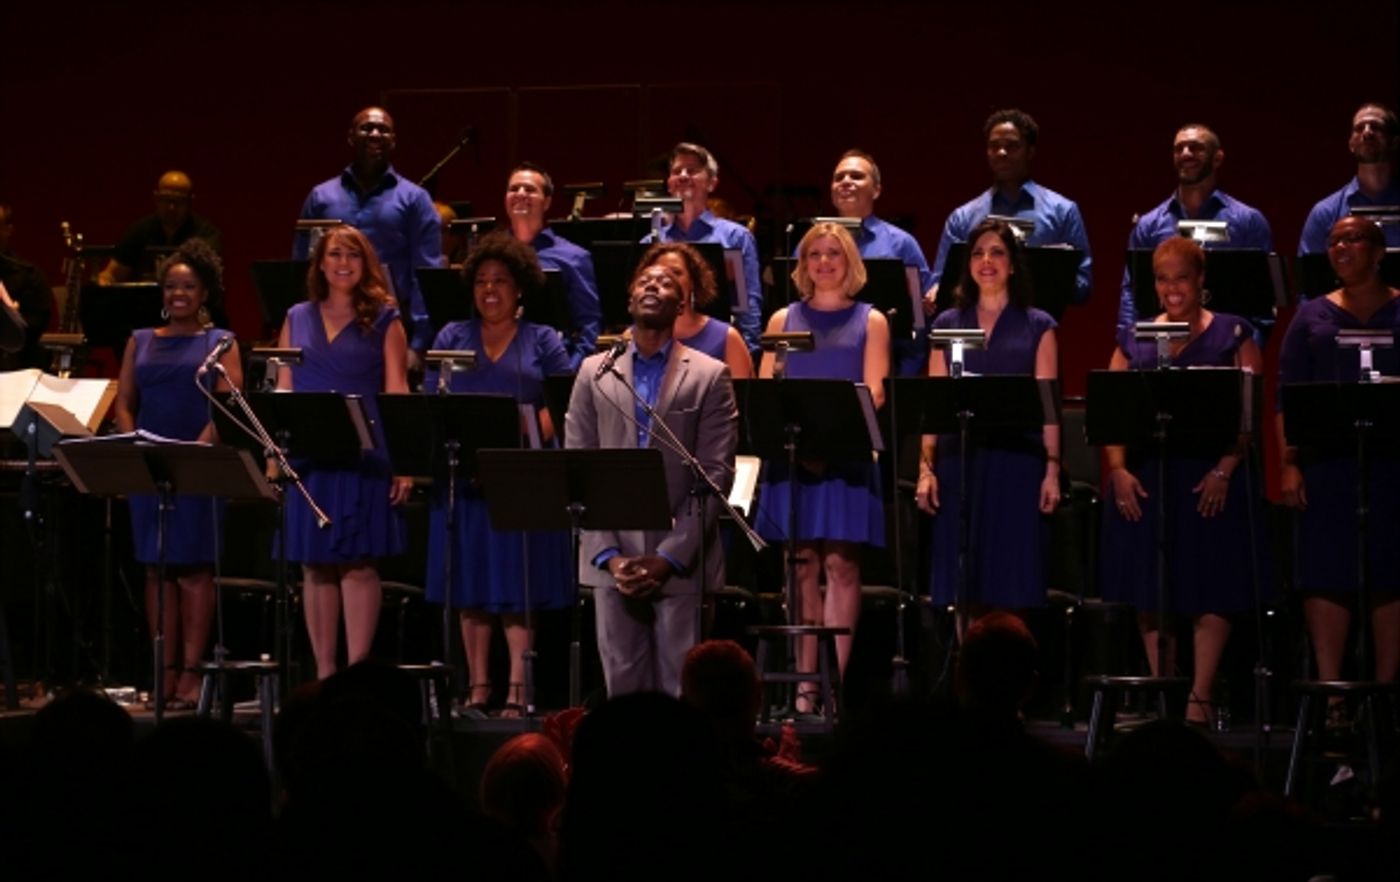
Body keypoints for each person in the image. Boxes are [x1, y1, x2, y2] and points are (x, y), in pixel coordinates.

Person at [1099, 237, 1265, 726]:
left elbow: (1248, 414)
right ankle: (1163, 691)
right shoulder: (1135, 336)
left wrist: (1224, 469)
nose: (1172, 288)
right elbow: (1110, 413)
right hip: (1148, 476)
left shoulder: (1235, 332)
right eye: (1163, 278)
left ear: (1201, 280)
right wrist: (1120, 471)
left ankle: (1199, 697)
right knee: (1152, 586)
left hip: (1210, 476)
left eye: (1182, 277)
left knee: (1210, 584)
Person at [565, 256, 738, 698]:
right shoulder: (593, 372)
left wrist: (669, 557)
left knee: (682, 695)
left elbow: (715, 474)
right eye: (645, 280)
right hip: (614, 559)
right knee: (623, 695)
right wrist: (609, 555)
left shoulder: (709, 375)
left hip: (681, 560)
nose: (653, 286)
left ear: (682, 304)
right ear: (629, 297)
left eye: (666, 283)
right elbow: (578, 467)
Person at [423, 232, 573, 715]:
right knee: (471, 585)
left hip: (522, 479)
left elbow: (558, 401)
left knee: (516, 585)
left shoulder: (544, 339)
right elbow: (434, 399)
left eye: (501, 281)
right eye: (482, 281)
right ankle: (478, 687)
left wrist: (519, 448)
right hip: (467, 481)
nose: (490, 290)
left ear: (520, 288)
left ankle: (517, 689)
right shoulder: (451, 337)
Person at [754, 222, 890, 713]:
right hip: (793, 457)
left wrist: (829, 443)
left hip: (846, 456)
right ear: (803, 264)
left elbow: (874, 392)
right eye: (815, 254)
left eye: (834, 253)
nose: (824, 262)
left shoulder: (871, 320)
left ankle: (836, 683)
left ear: (849, 261)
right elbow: (766, 391)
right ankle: (806, 683)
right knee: (801, 564)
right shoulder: (782, 319)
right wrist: (802, 442)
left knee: (840, 563)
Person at [276, 224, 412, 680]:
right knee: (314, 564)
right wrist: (275, 455)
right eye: (334, 254)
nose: (343, 263)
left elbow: (397, 391)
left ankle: (357, 675)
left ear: (366, 264)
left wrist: (403, 463)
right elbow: (283, 388)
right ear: (320, 263)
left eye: (353, 255)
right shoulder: (296, 316)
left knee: (357, 562)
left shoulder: (386, 319)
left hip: (364, 458)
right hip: (310, 458)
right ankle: (325, 674)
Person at [112, 238, 242, 706]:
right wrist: (133, 445)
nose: (178, 294)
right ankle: (162, 671)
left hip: (197, 468)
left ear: (204, 291)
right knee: (156, 572)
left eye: (188, 286)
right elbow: (125, 402)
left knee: (194, 573)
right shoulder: (141, 340)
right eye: (170, 286)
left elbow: (229, 408)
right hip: (147, 467)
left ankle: (192, 674)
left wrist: (195, 454)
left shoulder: (220, 342)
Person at [1278, 216, 1400, 688]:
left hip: (1391, 465)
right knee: (1328, 572)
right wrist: (1289, 464)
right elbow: (1285, 397)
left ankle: (1385, 694)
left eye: (1353, 239)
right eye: (1333, 241)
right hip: (1328, 466)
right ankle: (1332, 698)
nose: (1341, 247)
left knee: (1390, 572)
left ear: (1379, 251)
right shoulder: (1311, 315)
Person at [918, 219, 1061, 616]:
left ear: (1013, 264)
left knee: (1011, 578)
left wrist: (1052, 469)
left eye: (997, 252)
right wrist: (926, 469)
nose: (987, 261)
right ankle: (969, 671)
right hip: (959, 462)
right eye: (978, 253)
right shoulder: (946, 324)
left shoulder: (1039, 325)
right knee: (963, 584)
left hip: (1017, 463)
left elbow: (1048, 406)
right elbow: (935, 405)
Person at [293, 107, 442, 357]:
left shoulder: (415, 199)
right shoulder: (321, 197)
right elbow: (301, 265)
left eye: (383, 130)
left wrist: (418, 342)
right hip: (327, 325)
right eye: (367, 128)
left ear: (393, 141)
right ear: (351, 137)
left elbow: (426, 273)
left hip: (390, 323)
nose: (375, 134)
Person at [928, 109, 1091, 309]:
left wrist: (1041, 276)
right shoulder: (962, 217)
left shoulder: (1063, 211)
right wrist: (935, 292)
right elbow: (941, 284)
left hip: (1038, 331)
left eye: (1012, 146)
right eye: (994, 146)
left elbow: (1083, 286)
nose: (1001, 153)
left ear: (1030, 151)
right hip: (975, 332)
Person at [1118, 123, 1273, 332]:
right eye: (1178, 148)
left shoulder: (1249, 222)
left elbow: (1262, 301)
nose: (1186, 154)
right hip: (1163, 348)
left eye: (1196, 147)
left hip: (1228, 351)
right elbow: (1131, 295)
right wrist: (1131, 346)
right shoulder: (1148, 225)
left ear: (1217, 158)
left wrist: (1245, 350)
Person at [648, 142, 764, 355]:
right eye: (676, 172)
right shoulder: (651, 241)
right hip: (660, 349)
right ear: (669, 183)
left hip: (718, 348)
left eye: (692, 171)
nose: (683, 176)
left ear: (711, 183)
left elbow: (748, 303)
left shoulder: (737, 237)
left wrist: (748, 353)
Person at [828, 149, 936, 375]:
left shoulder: (902, 244)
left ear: (876, 190)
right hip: (824, 362)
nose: (845, 182)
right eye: (839, 177)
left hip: (889, 367)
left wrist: (904, 376)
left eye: (856, 176)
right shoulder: (811, 245)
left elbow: (920, 317)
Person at [503, 162, 602, 371]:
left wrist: (567, 374)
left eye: (530, 189)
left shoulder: (574, 257)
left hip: (549, 366)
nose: (520, 193)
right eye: (513, 189)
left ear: (547, 202)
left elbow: (588, 325)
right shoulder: (490, 255)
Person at [634, 242, 752, 379]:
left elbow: (744, 397)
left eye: (676, 273)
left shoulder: (727, 338)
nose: (667, 279)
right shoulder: (631, 336)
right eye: (658, 274)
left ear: (693, 282)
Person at [1299, 103, 1400, 255]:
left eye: (1376, 127)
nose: (1367, 133)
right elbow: (1309, 276)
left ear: (1394, 142)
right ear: (1351, 144)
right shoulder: (1325, 213)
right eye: (1359, 128)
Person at [97, 171, 223, 285]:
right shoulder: (140, 230)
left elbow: (206, 281)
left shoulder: (205, 235)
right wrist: (104, 281)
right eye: (166, 200)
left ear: (190, 201)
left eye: (178, 201)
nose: (171, 207)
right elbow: (112, 274)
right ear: (156, 199)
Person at [0, 203, 53, 369]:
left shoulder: (29, 275)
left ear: (7, 230)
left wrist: (11, 317)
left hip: (14, 365)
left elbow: (34, 327)